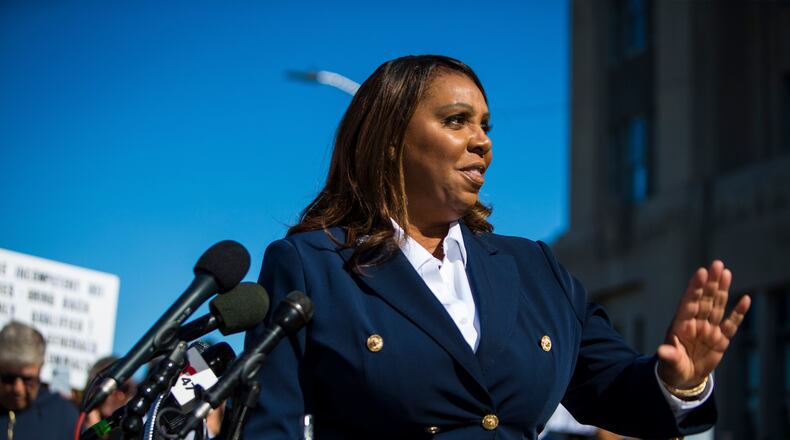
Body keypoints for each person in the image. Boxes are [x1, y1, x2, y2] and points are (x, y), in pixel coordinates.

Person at [243, 55, 751, 439]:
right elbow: (268, 428)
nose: (482, 141)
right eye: (456, 121)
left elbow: (614, 390)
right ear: (390, 140)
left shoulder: (534, 267)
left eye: (485, 125)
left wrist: (677, 379)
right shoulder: (313, 266)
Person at [0, 321, 79, 440]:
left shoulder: (63, 416)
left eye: (28, 380)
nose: (18, 389)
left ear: (40, 369)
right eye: (8, 378)